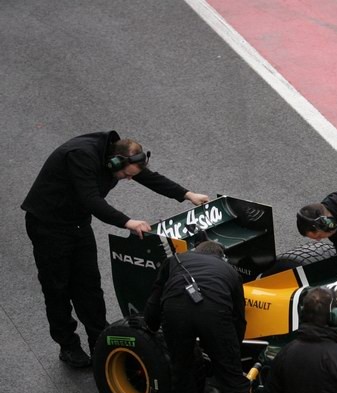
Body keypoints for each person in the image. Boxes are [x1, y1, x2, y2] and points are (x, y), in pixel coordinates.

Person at [21, 131, 209, 368]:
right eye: (125, 175)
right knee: (57, 287)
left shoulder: (120, 159)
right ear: (116, 161)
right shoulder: (80, 157)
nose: (128, 179)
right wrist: (127, 222)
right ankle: (68, 345)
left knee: (89, 285)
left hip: (77, 222)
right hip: (48, 225)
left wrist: (187, 195)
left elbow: (148, 177)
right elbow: (91, 200)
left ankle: (99, 340)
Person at [143, 240, 267, 393]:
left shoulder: (174, 261)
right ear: (221, 257)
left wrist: (150, 327)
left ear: (195, 252)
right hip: (214, 315)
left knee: (182, 371)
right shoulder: (229, 271)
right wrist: (232, 351)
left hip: (175, 311)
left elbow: (154, 299)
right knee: (232, 381)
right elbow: (238, 317)